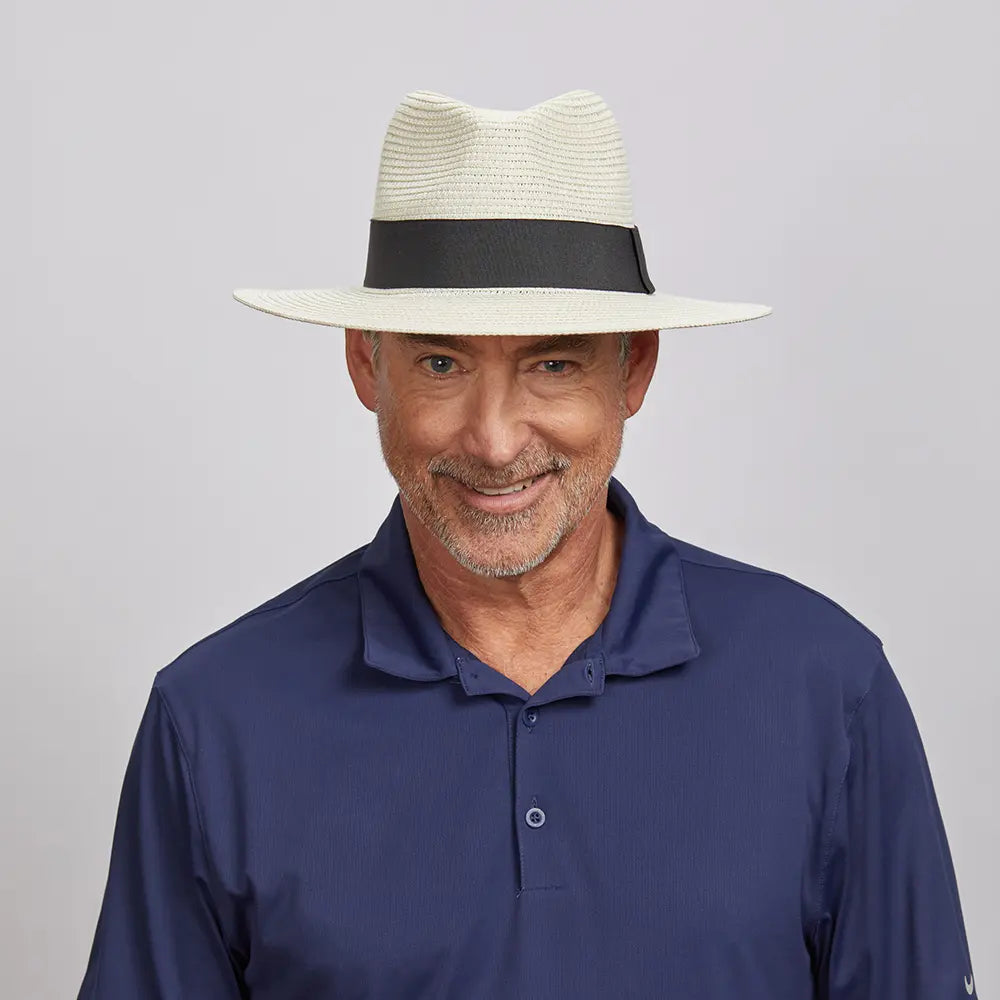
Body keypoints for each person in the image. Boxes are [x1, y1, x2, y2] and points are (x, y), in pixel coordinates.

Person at [76, 88, 978, 998]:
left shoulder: (826, 689)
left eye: (553, 363)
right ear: (364, 363)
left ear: (635, 369)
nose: (497, 440)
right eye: (441, 363)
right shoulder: (217, 720)